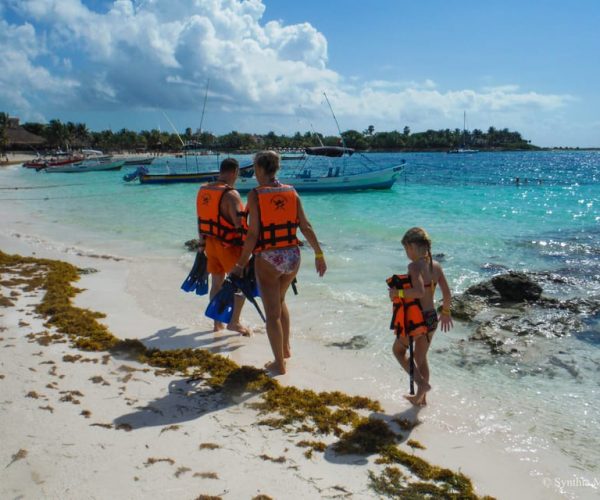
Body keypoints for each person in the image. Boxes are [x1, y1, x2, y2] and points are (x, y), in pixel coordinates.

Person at [231, 151, 326, 375]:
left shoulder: (256, 194)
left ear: (262, 169)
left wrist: (240, 263)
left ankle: (279, 365)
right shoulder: (291, 191)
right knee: (281, 300)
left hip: (269, 259)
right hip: (293, 257)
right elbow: (306, 226)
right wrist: (319, 254)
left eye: (255, 168)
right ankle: (285, 350)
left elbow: (253, 234)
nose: (254, 173)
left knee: (272, 313)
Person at [388, 227, 453, 405]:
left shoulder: (414, 266)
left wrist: (397, 293)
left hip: (417, 319)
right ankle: (421, 398)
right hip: (432, 318)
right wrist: (446, 313)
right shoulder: (436, 266)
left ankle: (421, 385)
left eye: (406, 249)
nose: (406, 254)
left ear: (412, 246)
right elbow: (447, 294)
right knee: (420, 358)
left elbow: (417, 292)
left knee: (398, 351)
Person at [197, 158, 250, 336]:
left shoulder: (204, 190)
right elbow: (240, 225)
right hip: (228, 247)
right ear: (235, 172)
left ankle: (217, 323)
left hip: (210, 244)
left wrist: (201, 244)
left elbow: (201, 220)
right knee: (241, 284)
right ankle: (234, 322)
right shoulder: (231, 194)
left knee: (217, 282)